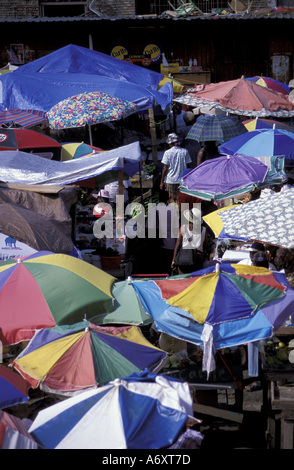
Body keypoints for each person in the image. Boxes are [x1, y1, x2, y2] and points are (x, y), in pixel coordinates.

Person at [171, 207, 206, 274]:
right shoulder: (203, 230)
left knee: (183, 280)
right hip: (198, 259)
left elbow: (178, 245)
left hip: (184, 258)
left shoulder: (183, 228)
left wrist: (173, 260)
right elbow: (205, 244)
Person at [160, 133, 192, 204]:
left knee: (172, 200)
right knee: (182, 201)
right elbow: (188, 166)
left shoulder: (167, 153)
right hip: (182, 181)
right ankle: (181, 214)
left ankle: (173, 213)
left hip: (171, 181)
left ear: (170, 143)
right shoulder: (184, 151)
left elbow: (165, 168)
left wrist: (161, 182)